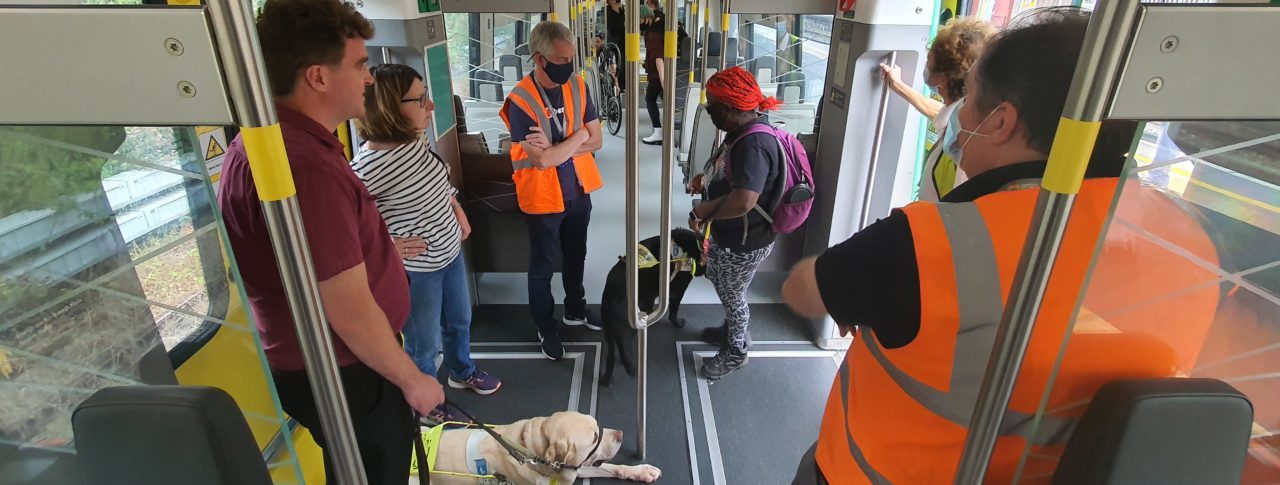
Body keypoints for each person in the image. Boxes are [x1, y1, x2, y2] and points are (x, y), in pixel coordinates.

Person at [782, 8, 1220, 483]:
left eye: (967, 98)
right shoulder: (1189, 239)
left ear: (1000, 122)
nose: (956, 116)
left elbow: (803, 290)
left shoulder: (929, 242)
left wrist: (863, 287)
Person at [217, 0, 444, 482]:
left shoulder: (264, 143)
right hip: (347, 369)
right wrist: (412, 379)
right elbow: (345, 305)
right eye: (360, 65)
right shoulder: (307, 168)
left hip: (327, 364)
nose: (368, 79)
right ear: (318, 77)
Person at [351, 64, 501, 425]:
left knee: (460, 321)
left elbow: (435, 181)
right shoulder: (367, 167)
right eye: (420, 99)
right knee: (423, 343)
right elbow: (345, 226)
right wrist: (386, 246)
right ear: (390, 107)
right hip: (419, 272)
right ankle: (426, 402)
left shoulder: (414, 141)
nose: (431, 106)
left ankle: (461, 370)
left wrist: (458, 209)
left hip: (449, 252)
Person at [499, 21, 605, 361]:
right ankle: (545, 325)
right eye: (561, 59)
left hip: (578, 190)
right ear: (540, 59)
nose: (568, 66)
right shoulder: (521, 101)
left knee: (577, 256)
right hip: (543, 197)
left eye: (571, 58)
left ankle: (575, 308)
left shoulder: (577, 85)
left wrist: (562, 144)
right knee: (543, 265)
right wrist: (577, 137)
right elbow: (543, 161)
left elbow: (598, 139)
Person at [686, 66, 783, 380]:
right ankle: (732, 328)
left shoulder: (754, 145)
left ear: (731, 108)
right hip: (736, 233)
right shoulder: (745, 130)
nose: (709, 111)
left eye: (712, 106)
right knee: (722, 280)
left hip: (745, 238)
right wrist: (707, 180)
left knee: (732, 293)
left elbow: (744, 200)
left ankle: (737, 349)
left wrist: (705, 214)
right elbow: (734, 177)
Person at [880, 17, 995, 201]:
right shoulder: (967, 118)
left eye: (928, 61)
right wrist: (899, 86)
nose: (925, 67)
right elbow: (940, 112)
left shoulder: (958, 147)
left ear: (940, 78)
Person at [640, 0, 667, 145]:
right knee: (663, 101)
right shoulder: (662, 21)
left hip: (657, 74)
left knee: (650, 99)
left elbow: (658, 57)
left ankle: (658, 132)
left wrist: (663, 81)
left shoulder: (653, 34)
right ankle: (662, 130)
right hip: (660, 72)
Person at [604, 0, 627, 93]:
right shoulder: (608, 11)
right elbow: (612, 29)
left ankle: (622, 85)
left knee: (623, 64)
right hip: (614, 43)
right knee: (616, 64)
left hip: (624, 41)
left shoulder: (622, 10)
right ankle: (617, 86)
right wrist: (624, 25)